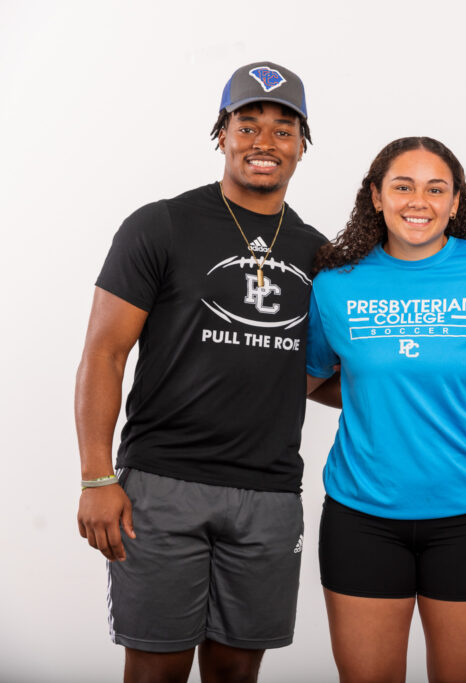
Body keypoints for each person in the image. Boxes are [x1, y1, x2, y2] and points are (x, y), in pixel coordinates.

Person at [75, 62, 326, 683]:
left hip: (269, 494)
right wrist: (96, 476)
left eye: (282, 129)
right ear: (222, 134)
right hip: (162, 487)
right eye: (248, 125)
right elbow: (103, 354)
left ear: (302, 145)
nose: (264, 141)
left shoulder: (320, 255)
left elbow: (321, 369)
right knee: (155, 670)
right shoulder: (160, 225)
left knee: (237, 672)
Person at [305, 136, 466, 683]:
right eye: (402, 187)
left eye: (436, 189)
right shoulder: (336, 285)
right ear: (376, 197)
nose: (418, 201)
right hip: (362, 516)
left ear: (456, 203)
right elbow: (308, 381)